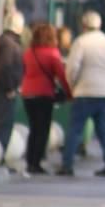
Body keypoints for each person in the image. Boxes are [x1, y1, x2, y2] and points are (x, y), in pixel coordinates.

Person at [58, 10, 105, 177]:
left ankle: (67, 165)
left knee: (74, 129)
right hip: (104, 93)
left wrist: (72, 86)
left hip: (84, 92)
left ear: (84, 25)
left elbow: (72, 68)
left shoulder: (80, 42)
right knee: (103, 130)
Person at [21, 23, 72, 174]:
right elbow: (62, 76)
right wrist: (69, 93)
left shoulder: (29, 52)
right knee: (43, 129)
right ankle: (36, 162)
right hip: (44, 94)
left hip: (27, 94)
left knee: (33, 128)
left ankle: (30, 160)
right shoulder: (52, 53)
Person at [0, 10, 24, 164]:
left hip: (2, 90)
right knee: (3, 125)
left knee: (2, 124)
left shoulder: (4, 41)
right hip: (4, 91)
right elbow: (5, 67)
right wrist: (10, 88)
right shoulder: (10, 44)